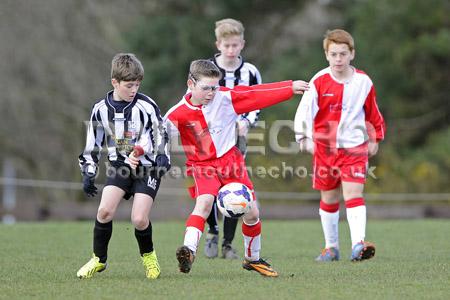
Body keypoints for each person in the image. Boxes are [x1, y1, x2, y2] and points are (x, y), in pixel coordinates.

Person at [165, 59, 309, 277]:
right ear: (191, 84)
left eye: (215, 87)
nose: (212, 93)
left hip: (231, 162)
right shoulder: (176, 114)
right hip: (202, 166)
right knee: (203, 204)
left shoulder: (225, 98)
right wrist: (139, 154)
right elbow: (155, 137)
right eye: (206, 88)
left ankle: (253, 259)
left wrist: (289, 87)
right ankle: (189, 251)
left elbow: (256, 93)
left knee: (252, 213)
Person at [294, 29, 386, 262]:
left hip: (354, 148)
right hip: (325, 149)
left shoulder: (363, 81)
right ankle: (331, 248)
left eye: (343, 54)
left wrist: (375, 137)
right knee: (329, 197)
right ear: (326, 55)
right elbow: (305, 111)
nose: (338, 59)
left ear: (352, 54)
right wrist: (303, 138)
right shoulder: (319, 80)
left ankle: (358, 245)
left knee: (353, 193)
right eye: (333, 54)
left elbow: (372, 111)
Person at [76, 53, 170, 279]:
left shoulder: (146, 105)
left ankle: (149, 259)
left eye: (137, 84)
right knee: (105, 211)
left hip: (147, 169)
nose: (134, 89)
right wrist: (88, 172)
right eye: (129, 85)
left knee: (138, 219)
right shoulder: (100, 109)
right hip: (120, 166)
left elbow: (161, 133)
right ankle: (99, 260)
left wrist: (162, 156)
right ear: (114, 82)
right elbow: (93, 144)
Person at [203, 18, 263, 260]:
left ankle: (228, 244)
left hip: (236, 139)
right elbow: (193, 98)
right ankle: (212, 232)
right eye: (226, 45)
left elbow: (258, 101)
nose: (230, 50)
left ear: (242, 45)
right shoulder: (205, 68)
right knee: (208, 186)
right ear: (218, 44)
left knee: (234, 188)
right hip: (207, 138)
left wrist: (246, 122)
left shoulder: (250, 72)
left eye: (235, 45)